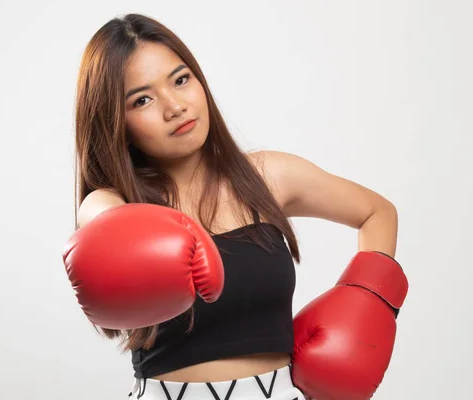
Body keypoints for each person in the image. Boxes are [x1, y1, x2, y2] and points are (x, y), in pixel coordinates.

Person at [62, 13, 408, 400]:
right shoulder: (117, 204)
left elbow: (377, 212)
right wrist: (125, 232)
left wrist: (364, 304)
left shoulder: (268, 175)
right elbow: (99, 221)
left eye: (181, 80)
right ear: (115, 121)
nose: (174, 106)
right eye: (142, 99)